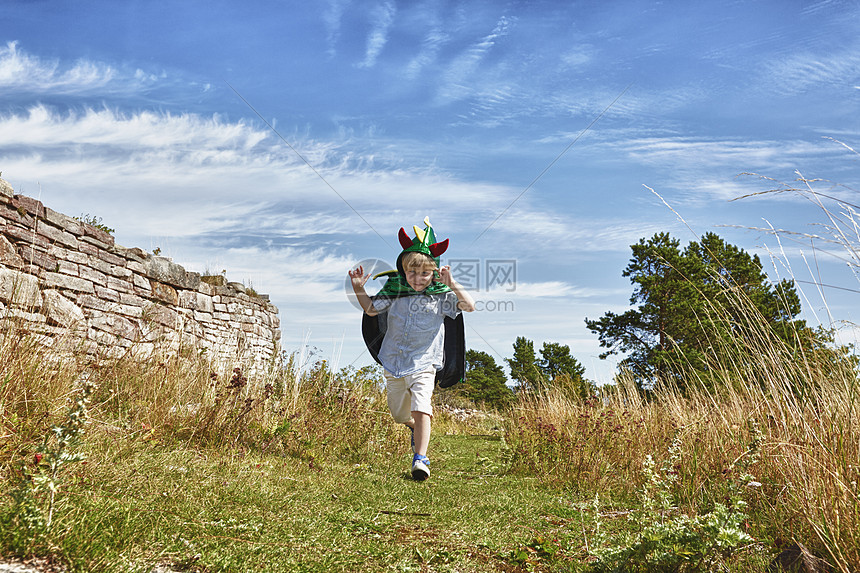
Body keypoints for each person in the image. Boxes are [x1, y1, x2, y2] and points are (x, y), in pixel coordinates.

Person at [348, 218, 475, 480]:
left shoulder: (441, 297)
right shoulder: (394, 292)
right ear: (403, 270)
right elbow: (371, 309)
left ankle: (421, 459)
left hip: (425, 362)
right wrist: (359, 288)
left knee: (422, 404)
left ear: (434, 272)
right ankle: (416, 427)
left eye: (425, 273)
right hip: (393, 360)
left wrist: (452, 284)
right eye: (412, 273)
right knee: (398, 414)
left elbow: (469, 306)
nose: (418, 279)